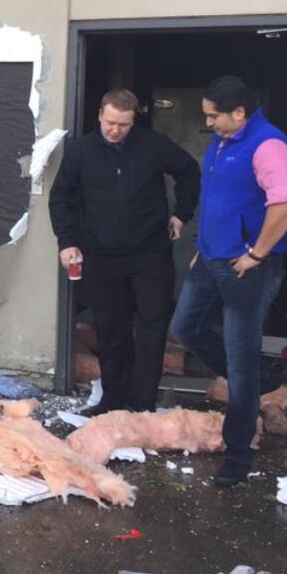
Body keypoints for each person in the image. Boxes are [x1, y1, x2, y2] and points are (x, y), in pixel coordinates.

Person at [170, 75, 287, 488]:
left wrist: (257, 253)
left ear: (239, 112)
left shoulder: (268, 145)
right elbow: (221, 201)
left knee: (239, 356)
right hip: (211, 259)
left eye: (214, 116)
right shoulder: (224, 142)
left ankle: (239, 452)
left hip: (249, 267)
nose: (209, 123)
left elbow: (285, 203)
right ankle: (260, 381)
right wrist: (206, 244)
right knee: (185, 328)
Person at [49, 89, 200, 415]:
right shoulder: (81, 151)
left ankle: (142, 404)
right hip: (102, 255)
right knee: (111, 327)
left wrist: (182, 213)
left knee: (152, 325)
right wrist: (67, 241)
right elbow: (61, 197)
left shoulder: (153, 145)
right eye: (110, 122)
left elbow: (189, 170)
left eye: (123, 125)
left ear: (134, 121)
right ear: (100, 115)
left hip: (150, 252)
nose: (115, 130)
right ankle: (113, 400)